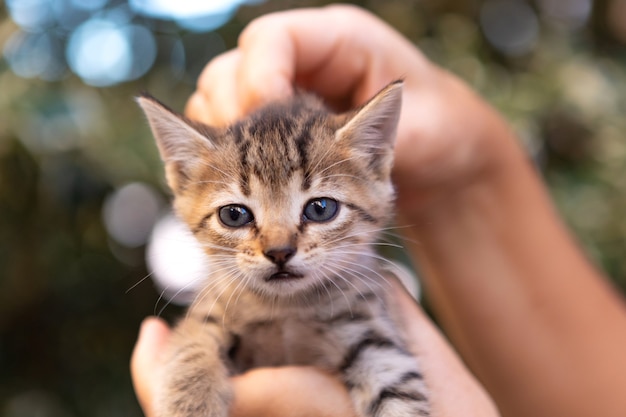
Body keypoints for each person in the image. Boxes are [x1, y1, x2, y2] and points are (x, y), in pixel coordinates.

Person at [131, 5, 626, 417]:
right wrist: (193, 373)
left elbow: (391, 382)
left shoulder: (356, 293)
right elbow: (200, 336)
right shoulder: (222, 302)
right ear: (182, 181)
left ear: (374, 165)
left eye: (319, 208)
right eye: (237, 216)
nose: (279, 246)